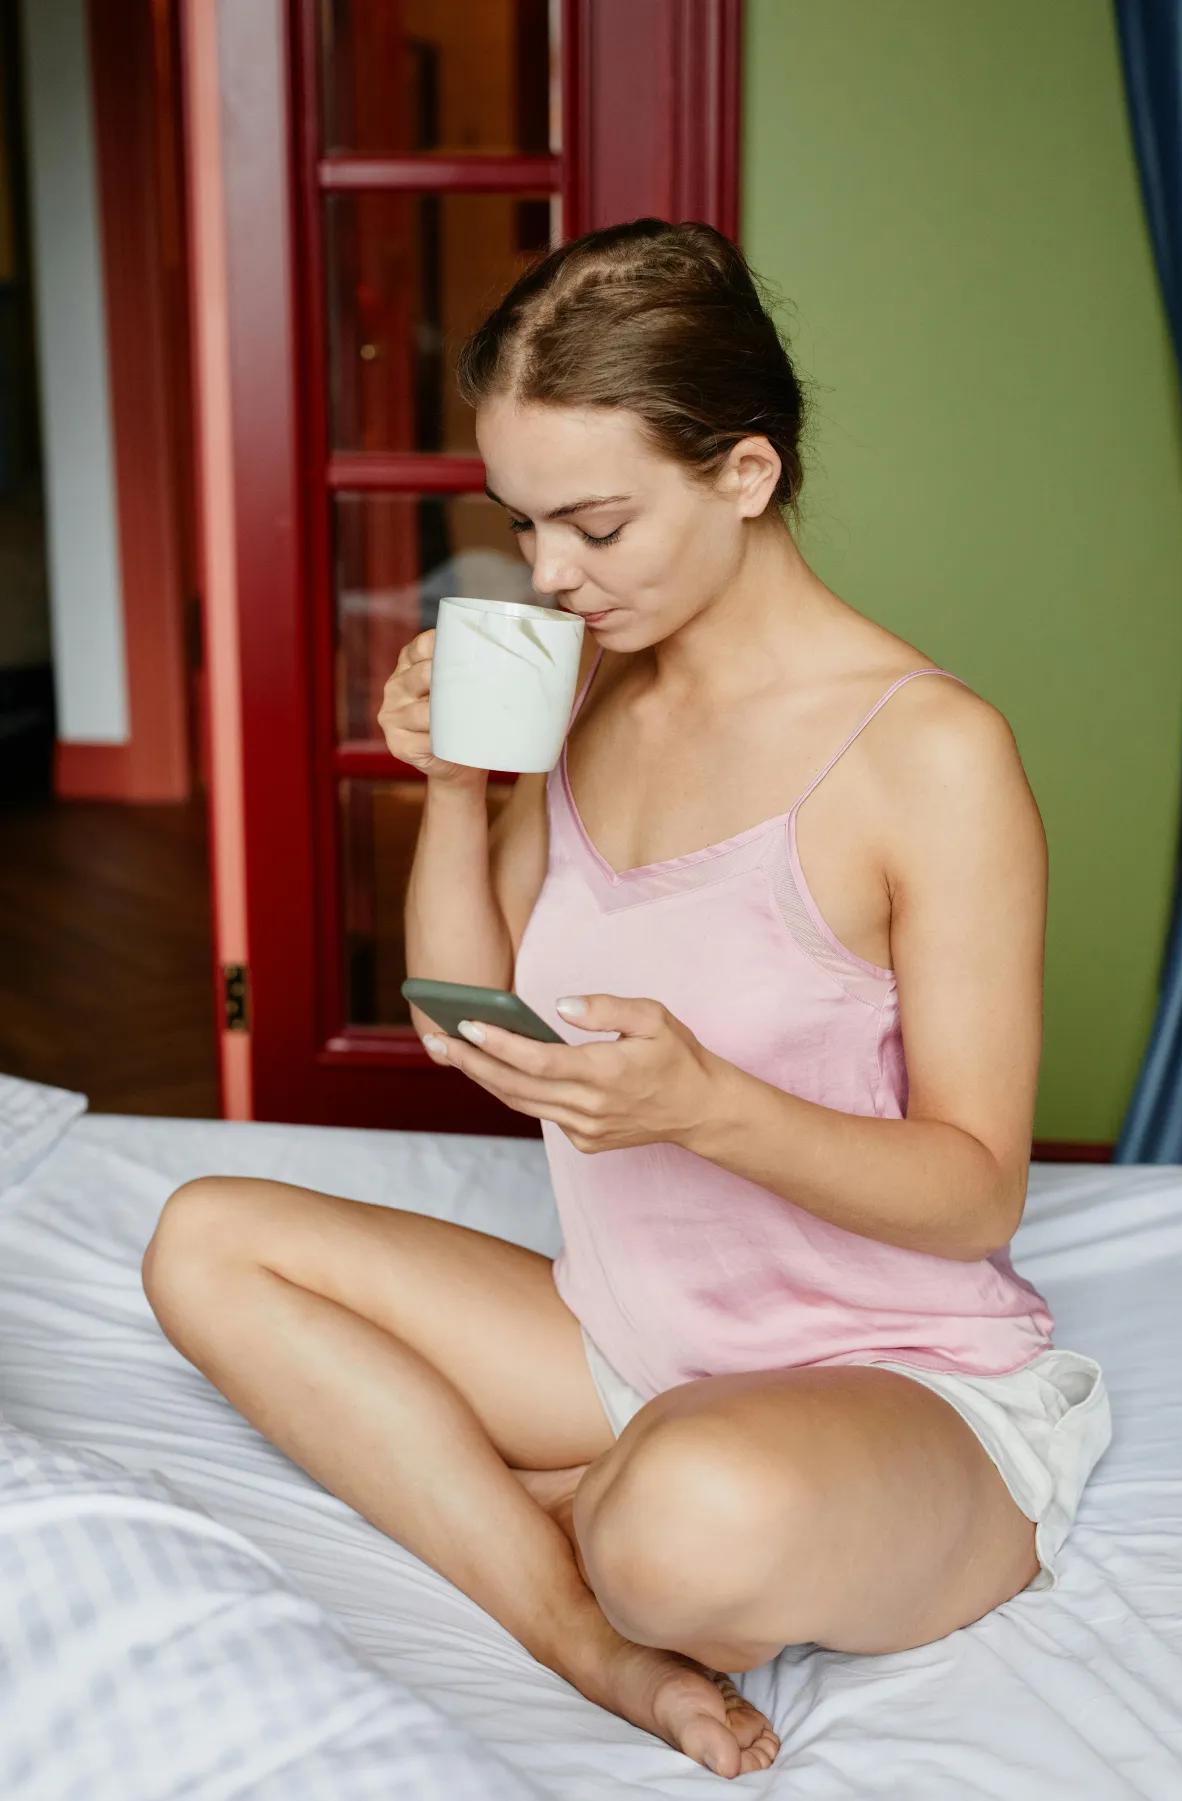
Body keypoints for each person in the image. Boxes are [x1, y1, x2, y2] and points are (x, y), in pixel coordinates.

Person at [142, 219, 1111, 1781]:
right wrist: (456, 785)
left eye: (595, 524)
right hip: (627, 1335)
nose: (547, 575)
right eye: (523, 524)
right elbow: (465, 1019)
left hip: (889, 1372)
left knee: (682, 1528)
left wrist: (708, 1108)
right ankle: (578, 1628)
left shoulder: (932, 755)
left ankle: (560, 1504)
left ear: (745, 472)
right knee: (205, 1239)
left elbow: (975, 1194)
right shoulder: (592, 700)